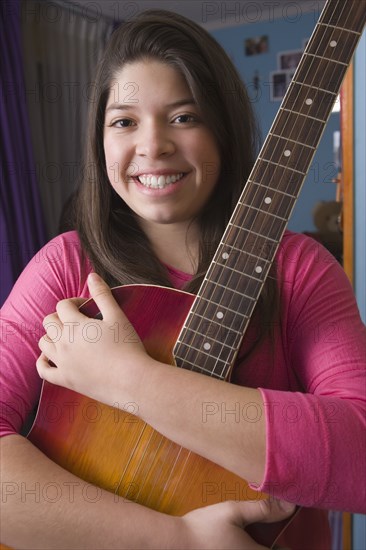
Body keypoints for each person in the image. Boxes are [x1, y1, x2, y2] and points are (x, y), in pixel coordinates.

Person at [1, 9, 365, 550]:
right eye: (124, 121)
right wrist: (176, 538)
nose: (154, 146)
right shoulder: (65, 266)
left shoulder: (300, 270)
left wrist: (129, 381)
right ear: (99, 141)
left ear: (223, 128)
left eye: (184, 117)